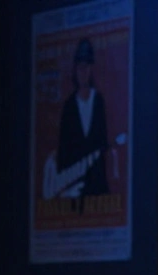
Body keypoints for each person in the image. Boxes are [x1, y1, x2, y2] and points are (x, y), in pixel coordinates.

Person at [54, 37, 109, 209]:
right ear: (75, 70)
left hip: (96, 184)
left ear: (91, 70)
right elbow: (63, 149)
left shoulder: (98, 101)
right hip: (74, 186)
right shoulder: (69, 107)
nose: (83, 72)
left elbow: (103, 142)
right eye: (80, 67)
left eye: (86, 67)